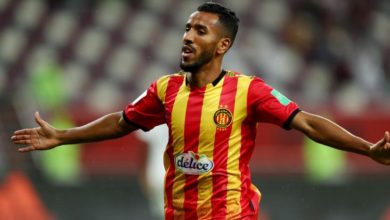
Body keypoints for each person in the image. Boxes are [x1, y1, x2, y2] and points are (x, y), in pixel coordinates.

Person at [11, 2, 390, 220]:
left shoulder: (247, 90)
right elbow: (120, 122)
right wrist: (63, 136)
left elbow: (307, 122)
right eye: (188, 28)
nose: (188, 36)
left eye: (201, 31)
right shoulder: (165, 89)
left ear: (223, 44)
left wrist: (367, 149)